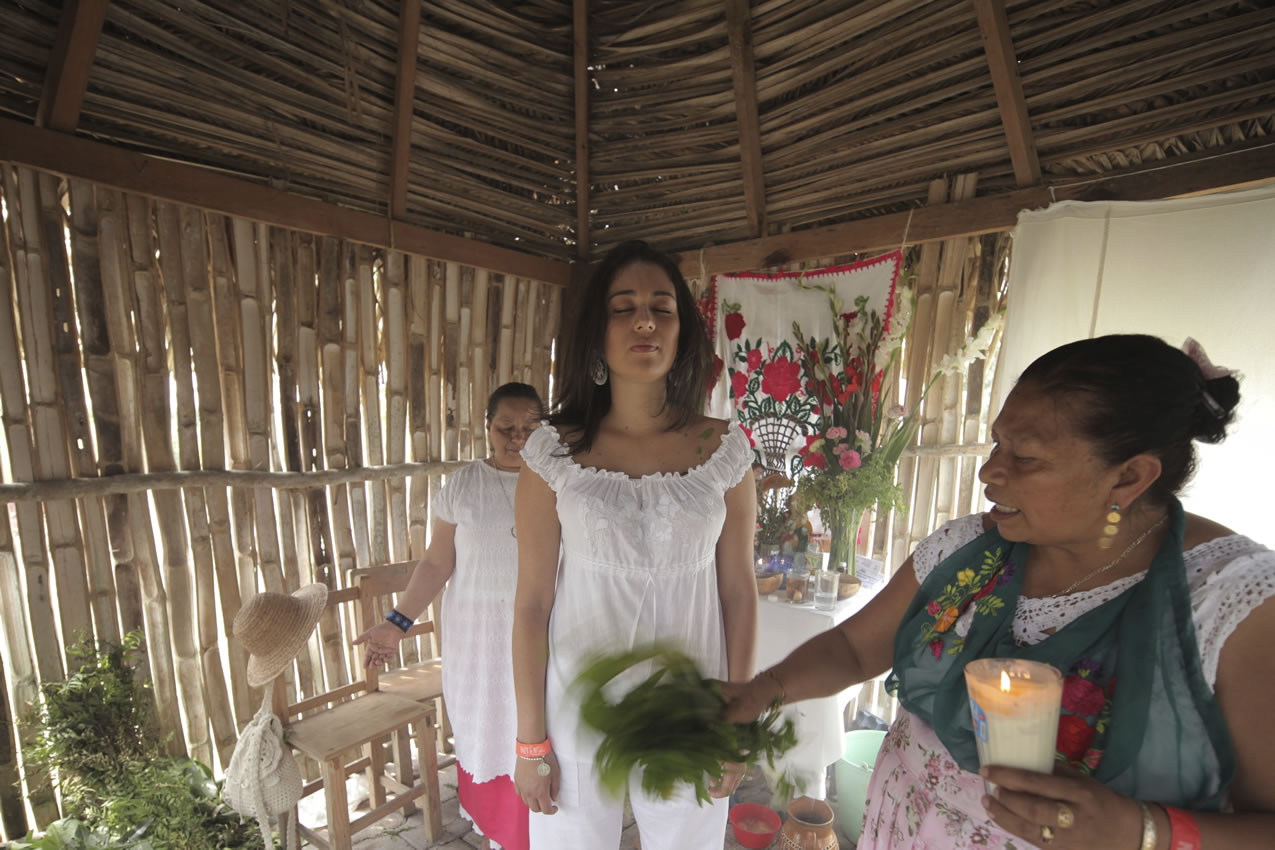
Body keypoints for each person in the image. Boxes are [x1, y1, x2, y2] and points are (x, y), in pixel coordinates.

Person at [722, 334, 1275, 849]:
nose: (990, 471)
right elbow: (854, 648)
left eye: (1025, 457)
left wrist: (1141, 831)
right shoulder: (967, 551)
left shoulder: (1231, 605)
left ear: (1129, 477)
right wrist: (763, 690)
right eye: (997, 444)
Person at [511, 240, 758, 850]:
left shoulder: (723, 451)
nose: (644, 321)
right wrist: (531, 741)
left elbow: (738, 592)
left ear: (682, 331)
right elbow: (532, 604)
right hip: (576, 705)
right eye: (623, 308)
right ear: (597, 335)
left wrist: (738, 721)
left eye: (661, 308)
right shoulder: (553, 453)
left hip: (691, 707)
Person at [354, 382, 543, 850]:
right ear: (487, 427)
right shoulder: (464, 486)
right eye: (506, 427)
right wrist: (396, 623)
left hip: (543, 640)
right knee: (491, 728)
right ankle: (503, 837)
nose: (518, 437)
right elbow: (437, 563)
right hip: (480, 645)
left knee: (538, 734)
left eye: (530, 427)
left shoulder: (557, 483)